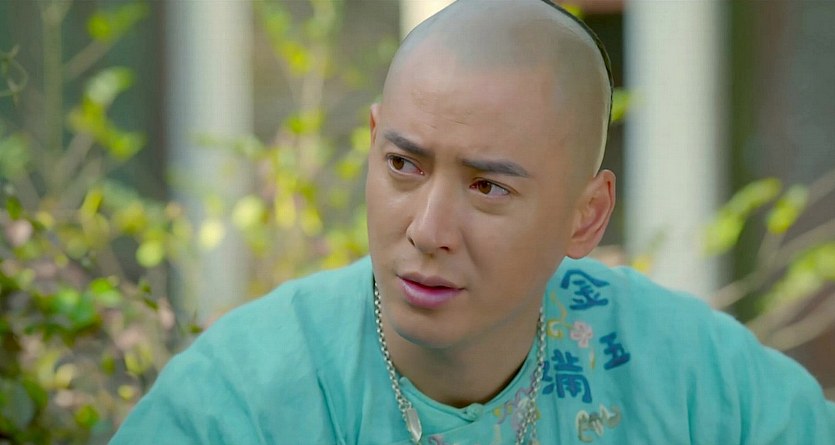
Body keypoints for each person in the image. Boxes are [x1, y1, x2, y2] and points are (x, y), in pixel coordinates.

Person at [111, 0, 835, 443]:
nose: (428, 229)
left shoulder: (694, 379)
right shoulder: (241, 397)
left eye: (487, 186)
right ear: (372, 142)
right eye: (404, 165)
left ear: (586, 216)